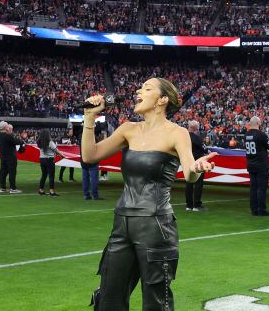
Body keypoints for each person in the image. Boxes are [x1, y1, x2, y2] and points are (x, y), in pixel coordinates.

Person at [83, 78, 217, 310]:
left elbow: (189, 174)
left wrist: (196, 168)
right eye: (140, 88)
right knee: (107, 299)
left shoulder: (178, 133)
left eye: (146, 88)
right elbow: (89, 156)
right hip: (121, 223)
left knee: (157, 302)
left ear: (162, 100)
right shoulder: (128, 129)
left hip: (156, 227)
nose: (138, 91)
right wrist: (89, 117)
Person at [244, 116, 269, 216]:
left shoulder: (247, 135)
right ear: (258, 123)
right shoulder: (261, 134)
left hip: (251, 164)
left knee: (253, 188)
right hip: (261, 165)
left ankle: (253, 209)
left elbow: (259, 147)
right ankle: (262, 210)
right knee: (261, 188)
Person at [185, 121, 208, 212]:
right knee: (198, 183)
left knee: (189, 183)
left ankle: (188, 205)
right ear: (196, 128)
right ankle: (196, 205)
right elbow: (205, 148)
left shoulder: (183, 137)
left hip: (187, 162)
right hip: (197, 162)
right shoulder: (197, 138)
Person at [0, 121, 24, 194]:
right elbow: (17, 141)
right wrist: (21, 140)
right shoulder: (7, 136)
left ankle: (2, 188)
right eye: (7, 126)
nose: (9, 127)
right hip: (10, 157)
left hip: (3, 156)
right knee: (12, 172)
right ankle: (13, 188)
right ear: (5, 127)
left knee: (3, 173)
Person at [37, 128, 64, 197]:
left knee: (44, 175)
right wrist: (62, 155)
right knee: (51, 176)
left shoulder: (39, 142)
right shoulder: (50, 142)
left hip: (42, 159)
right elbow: (56, 150)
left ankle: (41, 190)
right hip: (49, 160)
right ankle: (51, 191)